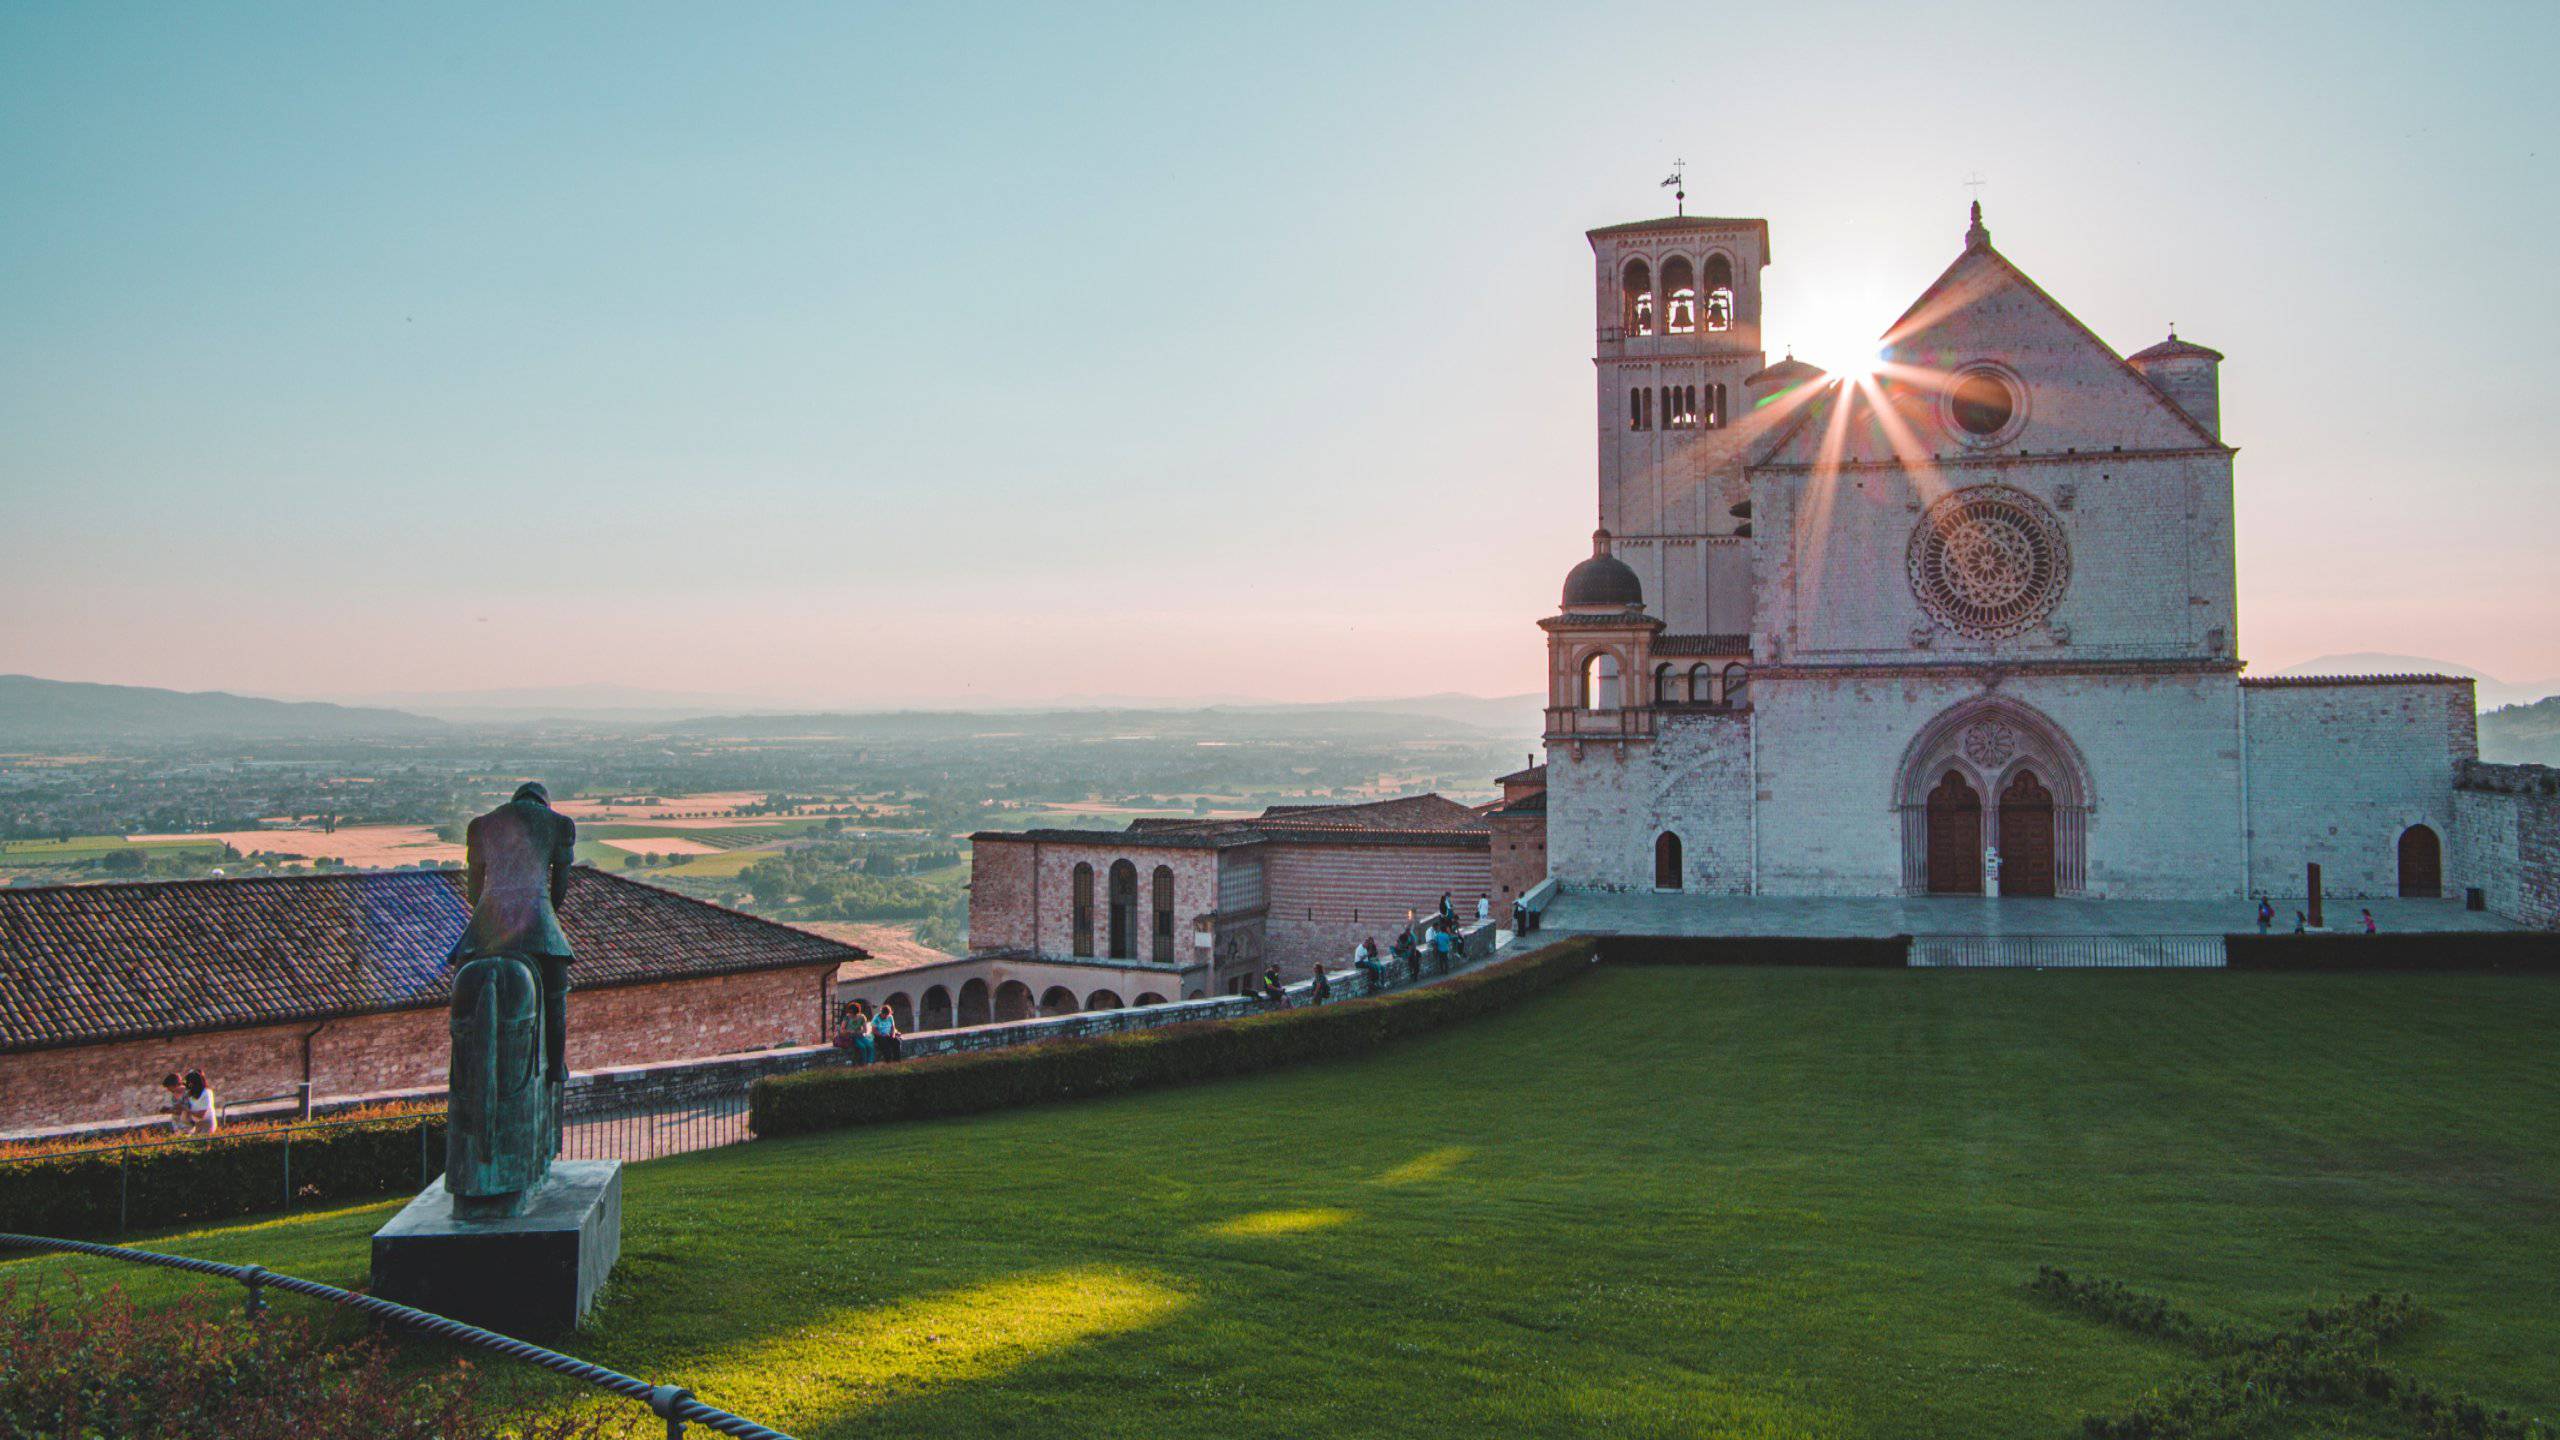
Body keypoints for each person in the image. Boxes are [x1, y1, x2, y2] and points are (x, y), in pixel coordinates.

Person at [181, 1070, 218, 1136]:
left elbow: (201, 1115)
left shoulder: (206, 1093)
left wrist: (187, 1110)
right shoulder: (190, 1094)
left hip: (207, 1123)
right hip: (197, 1124)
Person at [850, 1000, 877, 1065]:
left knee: (870, 1045)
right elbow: (845, 1030)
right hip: (853, 1038)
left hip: (861, 1036)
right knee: (862, 1047)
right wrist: (852, 1032)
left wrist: (857, 1032)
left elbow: (865, 1030)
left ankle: (870, 1062)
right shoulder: (847, 1018)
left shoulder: (862, 1017)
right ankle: (863, 1063)